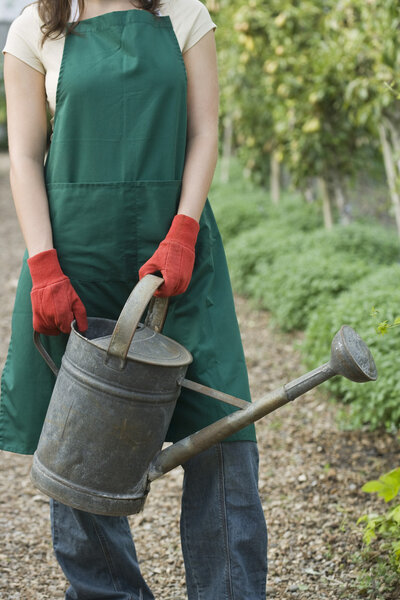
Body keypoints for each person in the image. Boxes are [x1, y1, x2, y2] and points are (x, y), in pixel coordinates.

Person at [1, 0, 268, 597]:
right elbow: (22, 155)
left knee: (223, 430)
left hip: (178, 253)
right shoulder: (33, 29)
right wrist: (44, 263)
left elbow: (203, 132)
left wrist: (183, 231)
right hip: (76, 258)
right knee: (78, 446)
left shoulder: (185, 15)